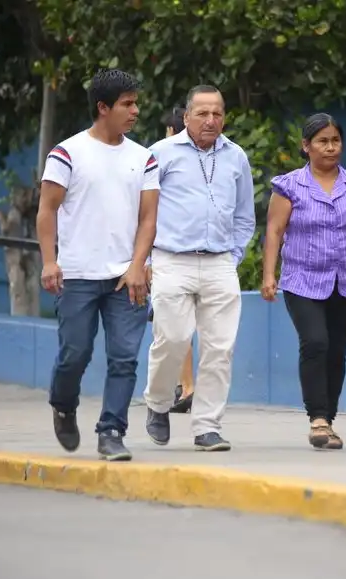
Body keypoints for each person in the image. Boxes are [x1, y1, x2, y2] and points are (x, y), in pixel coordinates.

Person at [38, 69, 159, 462]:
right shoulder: (67, 153)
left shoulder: (144, 157)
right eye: (127, 104)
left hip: (126, 277)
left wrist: (138, 265)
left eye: (135, 102)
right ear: (102, 107)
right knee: (75, 352)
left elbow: (148, 219)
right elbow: (47, 210)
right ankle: (63, 404)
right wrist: (49, 261)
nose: (135, 111)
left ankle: (111, 430)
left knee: (124, 357)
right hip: (76, 275)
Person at [261, 113, 346, 450]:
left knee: (336, 352)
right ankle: (317, 417)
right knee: (315, 342)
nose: (330, 147)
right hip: (301, 279)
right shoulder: (288, 186)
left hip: (344, 281)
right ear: (306, 146)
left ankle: (327, 420)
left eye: (335, 140)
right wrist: (269, 274)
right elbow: (274, 232)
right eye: (322, 141)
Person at [143, 85, 256, 452]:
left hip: (220, 262)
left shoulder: (236, 156)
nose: (211, 121)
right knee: (172, 340)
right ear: (186, 115)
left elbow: (245, 215)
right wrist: (143, 261)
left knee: (220, 349)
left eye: (218, 114)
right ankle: (158, 404)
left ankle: (207, 426)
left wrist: (233, 256)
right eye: (203, 113)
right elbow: (139, 212)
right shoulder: (160, 154)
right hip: (171, 260)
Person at [145, 106, 197, 414]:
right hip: (193, 258)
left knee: (171, 328)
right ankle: (182, 386)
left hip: (166, 258)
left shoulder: (160, 164)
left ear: (170, 131)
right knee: (177, 326)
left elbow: (149, 218)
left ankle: (185, 386)